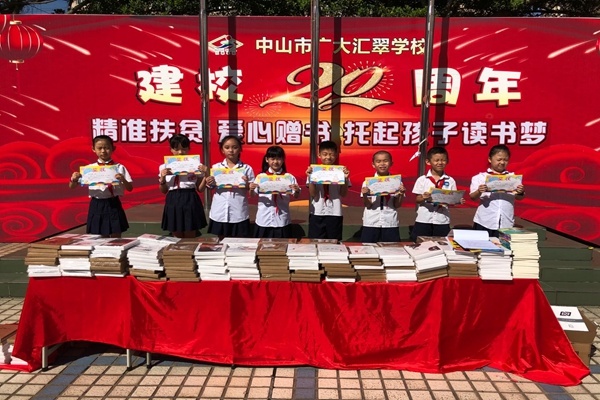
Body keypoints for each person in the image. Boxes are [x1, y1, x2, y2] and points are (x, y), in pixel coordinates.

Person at [69, 135, 133, 238]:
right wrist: (74, 179)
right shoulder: (89, 169)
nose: (103, 151)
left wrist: (123, 179)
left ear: (113, 148)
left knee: (116, 233)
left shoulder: (119, 167)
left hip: (113, 203)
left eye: (106, 148)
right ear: (93, 149)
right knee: (100, 235)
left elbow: (130, 188)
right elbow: (72, 187)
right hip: (97, 203)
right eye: (99, 148)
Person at [469, 144, 525, 237]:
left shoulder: (513, 177)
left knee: (503, 246)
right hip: (484, 221)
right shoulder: (480, 177)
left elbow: (519, 197)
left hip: (506, 222)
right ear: (490, 159)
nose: (502, 162)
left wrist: (520, 192)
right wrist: (479, 191)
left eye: (505, 160)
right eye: (499, 159)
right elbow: (472, 197)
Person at [205, 135, 255, 238]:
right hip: (220, 211)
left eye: (235, 147)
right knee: (221, 241)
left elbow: (252, 190)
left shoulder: (246, 168)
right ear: (222, 150)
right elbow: (211, 187)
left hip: (238, 211)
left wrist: (247, 184)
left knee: (239, 242)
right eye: (227, 147)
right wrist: (210, 182)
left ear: (240, 149)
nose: (231, 150)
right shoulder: (216, 167)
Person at [158, 135, 208, 238]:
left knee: (190, 233)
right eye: (176, 149)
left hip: (190, 197)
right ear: (171, 150)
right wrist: (162, 178)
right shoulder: (164, 167)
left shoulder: (196, 165)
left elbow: (200, 189)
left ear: (189, 149)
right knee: (176, 234)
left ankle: (190, 248)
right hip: (173, 198)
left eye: (184, 149)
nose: (180, 152)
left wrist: (206, 174)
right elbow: (163, 191)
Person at [411, 146, 464, 242]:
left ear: (447, 161)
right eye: (436, 160)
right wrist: (423, 197)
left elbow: (452, 200)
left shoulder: (450, 180)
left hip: (442, 219)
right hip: (424, 219)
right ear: (428, 162)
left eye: (443, 160)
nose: (440, 163)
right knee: (420, 244)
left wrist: (457, 200)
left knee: (442, 244)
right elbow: (417, 199)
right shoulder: (422, 180)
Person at [249, 146, 300, 238]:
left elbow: (296, 195)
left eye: (279, 158)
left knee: (282, 245)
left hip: (282, 220)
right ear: (267, 159)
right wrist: (251, 189)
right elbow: (252, 195)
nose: (276, 162)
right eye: (272, 159)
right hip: (263, 220)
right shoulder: (261, 177)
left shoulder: (289, 177)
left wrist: (296, 190)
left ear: (283, 160)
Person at [305, 140, 350, 241]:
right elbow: (313, 193)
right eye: (325, 154)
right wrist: (310, 178)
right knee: (315, 242)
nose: (328, 157)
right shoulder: (313, 171)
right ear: (319, 155)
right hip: (317, 212)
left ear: (336, 155)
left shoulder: (341, 172)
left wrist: (346, 179)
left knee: (334, 242)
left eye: (331, 154)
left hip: (335, 212)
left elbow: (343, 194)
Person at [360, 150, 405, 243]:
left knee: (391, 249)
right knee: (368, 249)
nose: (382, 164)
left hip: (390, 221)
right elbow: (368, 205)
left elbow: (397, 205)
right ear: (373, 164)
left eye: (385, 161)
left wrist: (401, 194)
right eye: (378, 161)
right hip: (371, 222)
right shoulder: (367, 182)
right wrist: (364, 195)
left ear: (391, 163)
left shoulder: (397, 182)